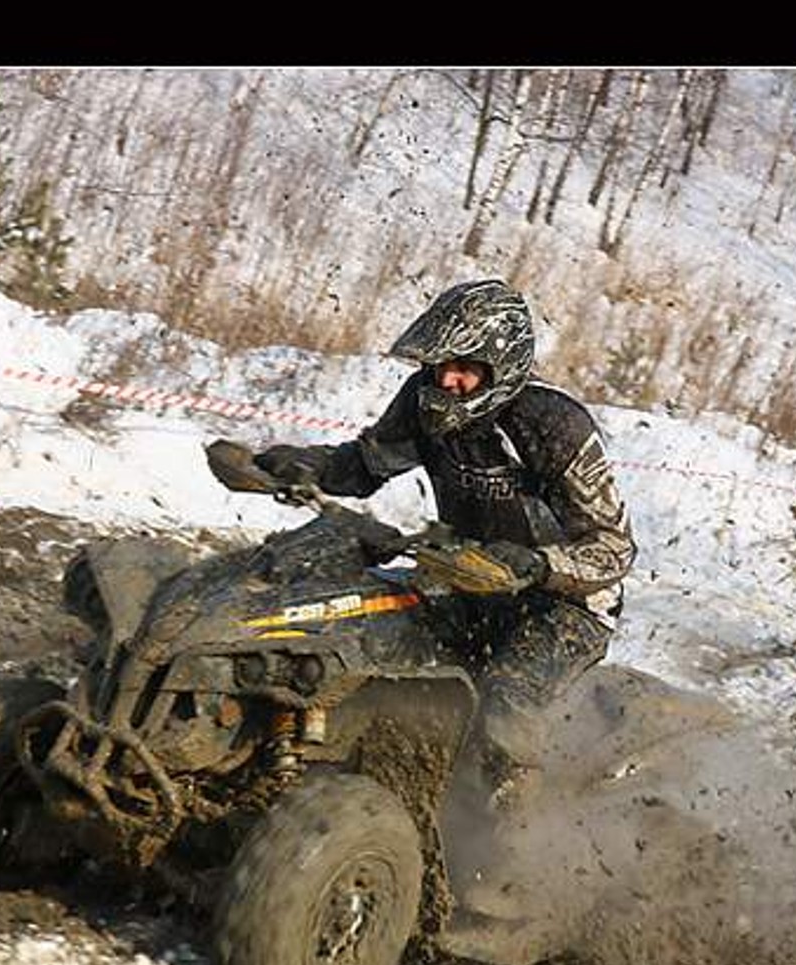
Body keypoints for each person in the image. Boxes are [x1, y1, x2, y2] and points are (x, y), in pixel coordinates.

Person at [247, 278, 637, 809]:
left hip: (565, 603)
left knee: (505, 703)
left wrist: (537, 564)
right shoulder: (422, 401)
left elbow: (614, 550)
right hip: (467, 576)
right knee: (369, 632)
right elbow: (364, 466)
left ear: (502, 369)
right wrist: (306, 464)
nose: (447, 380)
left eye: (465, 368)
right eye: (440, 364)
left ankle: (507, 840)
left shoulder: (551, 426)